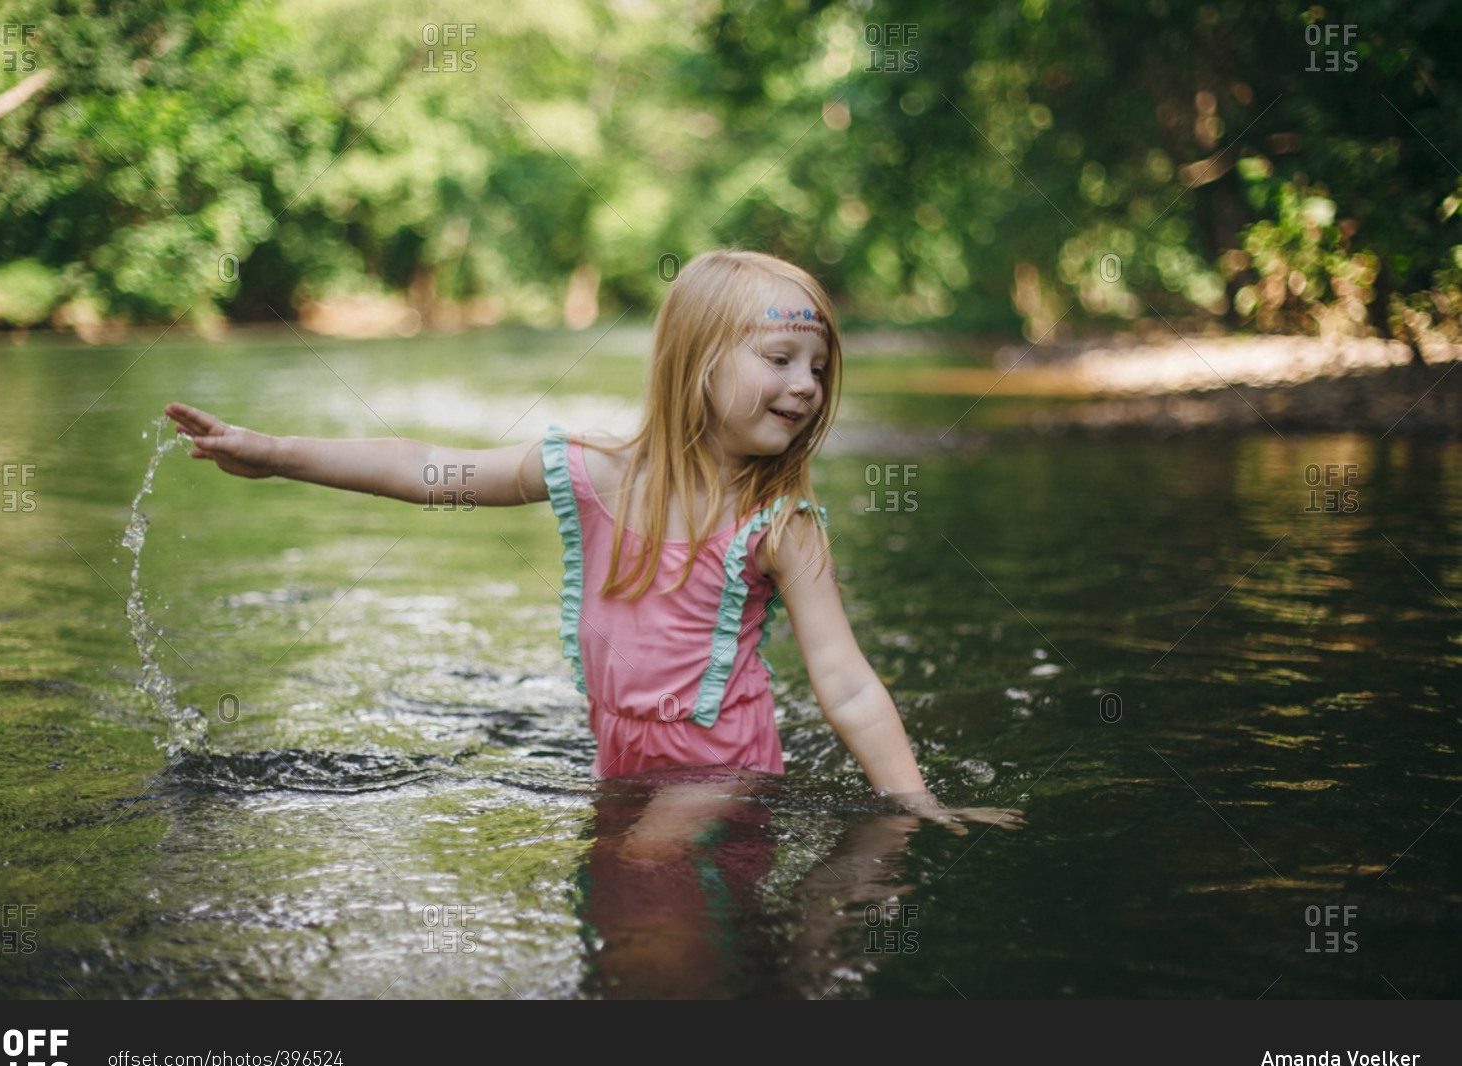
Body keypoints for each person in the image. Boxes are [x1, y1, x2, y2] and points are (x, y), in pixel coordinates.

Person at [164, 248, 1022, 833]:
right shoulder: (589, 475)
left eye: (820, 367)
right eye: (781, 358)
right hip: (625, 763)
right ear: (698, 363)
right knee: (630, 924)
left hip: (722, 771)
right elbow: (430, 469)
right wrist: (276, 455)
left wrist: (914, 802)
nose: (806, 386)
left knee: (642, 875)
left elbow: (844, 680)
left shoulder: (779, 524)